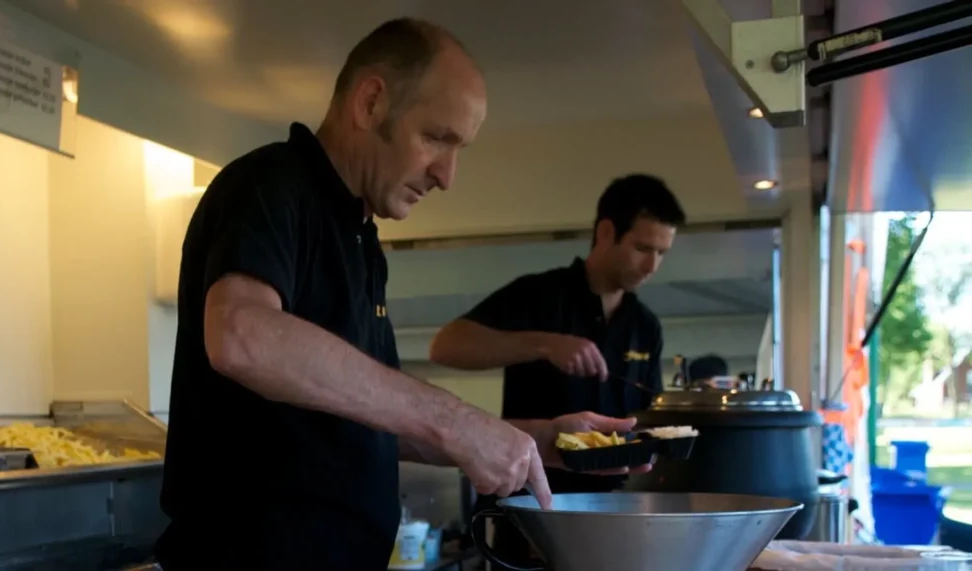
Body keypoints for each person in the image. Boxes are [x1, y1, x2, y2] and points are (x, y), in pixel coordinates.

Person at [154, 18, 569, 570]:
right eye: (436, 138)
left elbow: (378, 415)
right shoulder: (268, 185)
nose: (447, 175)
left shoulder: (361, 239)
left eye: (459, 148)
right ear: (371, 103)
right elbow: (241, 336)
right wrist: (454, 422)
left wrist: (529, 440)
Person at [430, 174, 686, 566]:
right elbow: (446, 346)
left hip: (613, 513)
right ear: (606, 232)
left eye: (662, 253)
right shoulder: (539, 295)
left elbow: (648, 415)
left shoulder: (646, 326)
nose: (652, 265)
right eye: (642, 248)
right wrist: (542, 344)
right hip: (532, 508)